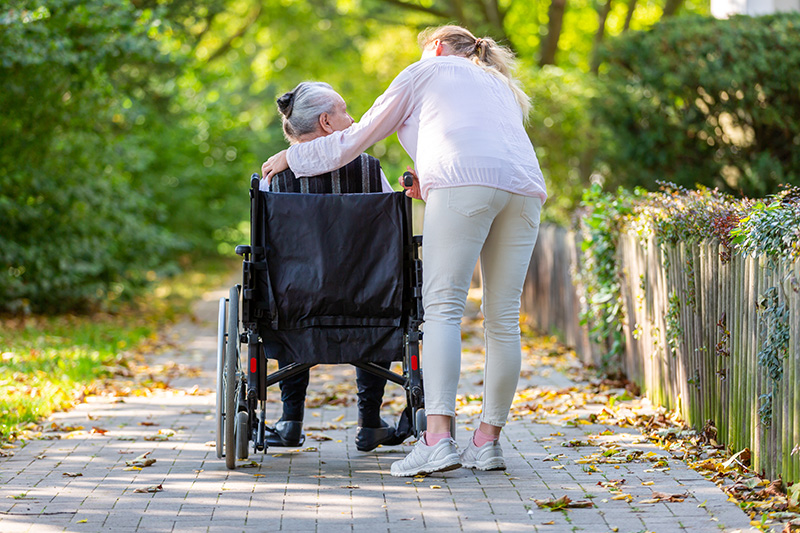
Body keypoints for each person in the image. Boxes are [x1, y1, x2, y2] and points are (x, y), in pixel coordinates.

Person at [262, 25, 547, 477]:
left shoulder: (423, 71)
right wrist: (430, 185)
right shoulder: (498, 84)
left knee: (443, 310)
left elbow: (353, 142)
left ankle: (437, 440)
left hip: (464, 185)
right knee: (503, 318)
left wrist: (290, 159)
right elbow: (483, 151)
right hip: (526, 189)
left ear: (434, 47)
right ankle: (487, 442)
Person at [261, 81, 411, 452]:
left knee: (281, 286)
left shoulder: (273, 177)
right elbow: (389, 242)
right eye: (345, 111)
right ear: (327, 122)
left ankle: (290, 420)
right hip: (368, 303)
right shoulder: (370, 171)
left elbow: (267, 251)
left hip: (295, 306)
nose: (354, 119)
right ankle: (370, 421)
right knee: (374, 278)